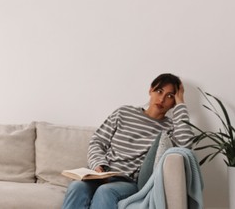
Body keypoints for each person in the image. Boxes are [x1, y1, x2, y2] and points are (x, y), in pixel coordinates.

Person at [61, 73, 194, 209]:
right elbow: (97, 141)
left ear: (173, 103)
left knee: (105, 191)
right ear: (150, 90)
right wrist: (98, 164)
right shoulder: (123, 113)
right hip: (101, 174)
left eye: (170, 96)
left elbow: (185, 146)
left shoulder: (170, 128)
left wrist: (181, 102)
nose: (162, 99)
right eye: (159, 91)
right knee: (76, 186)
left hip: (128, 182)